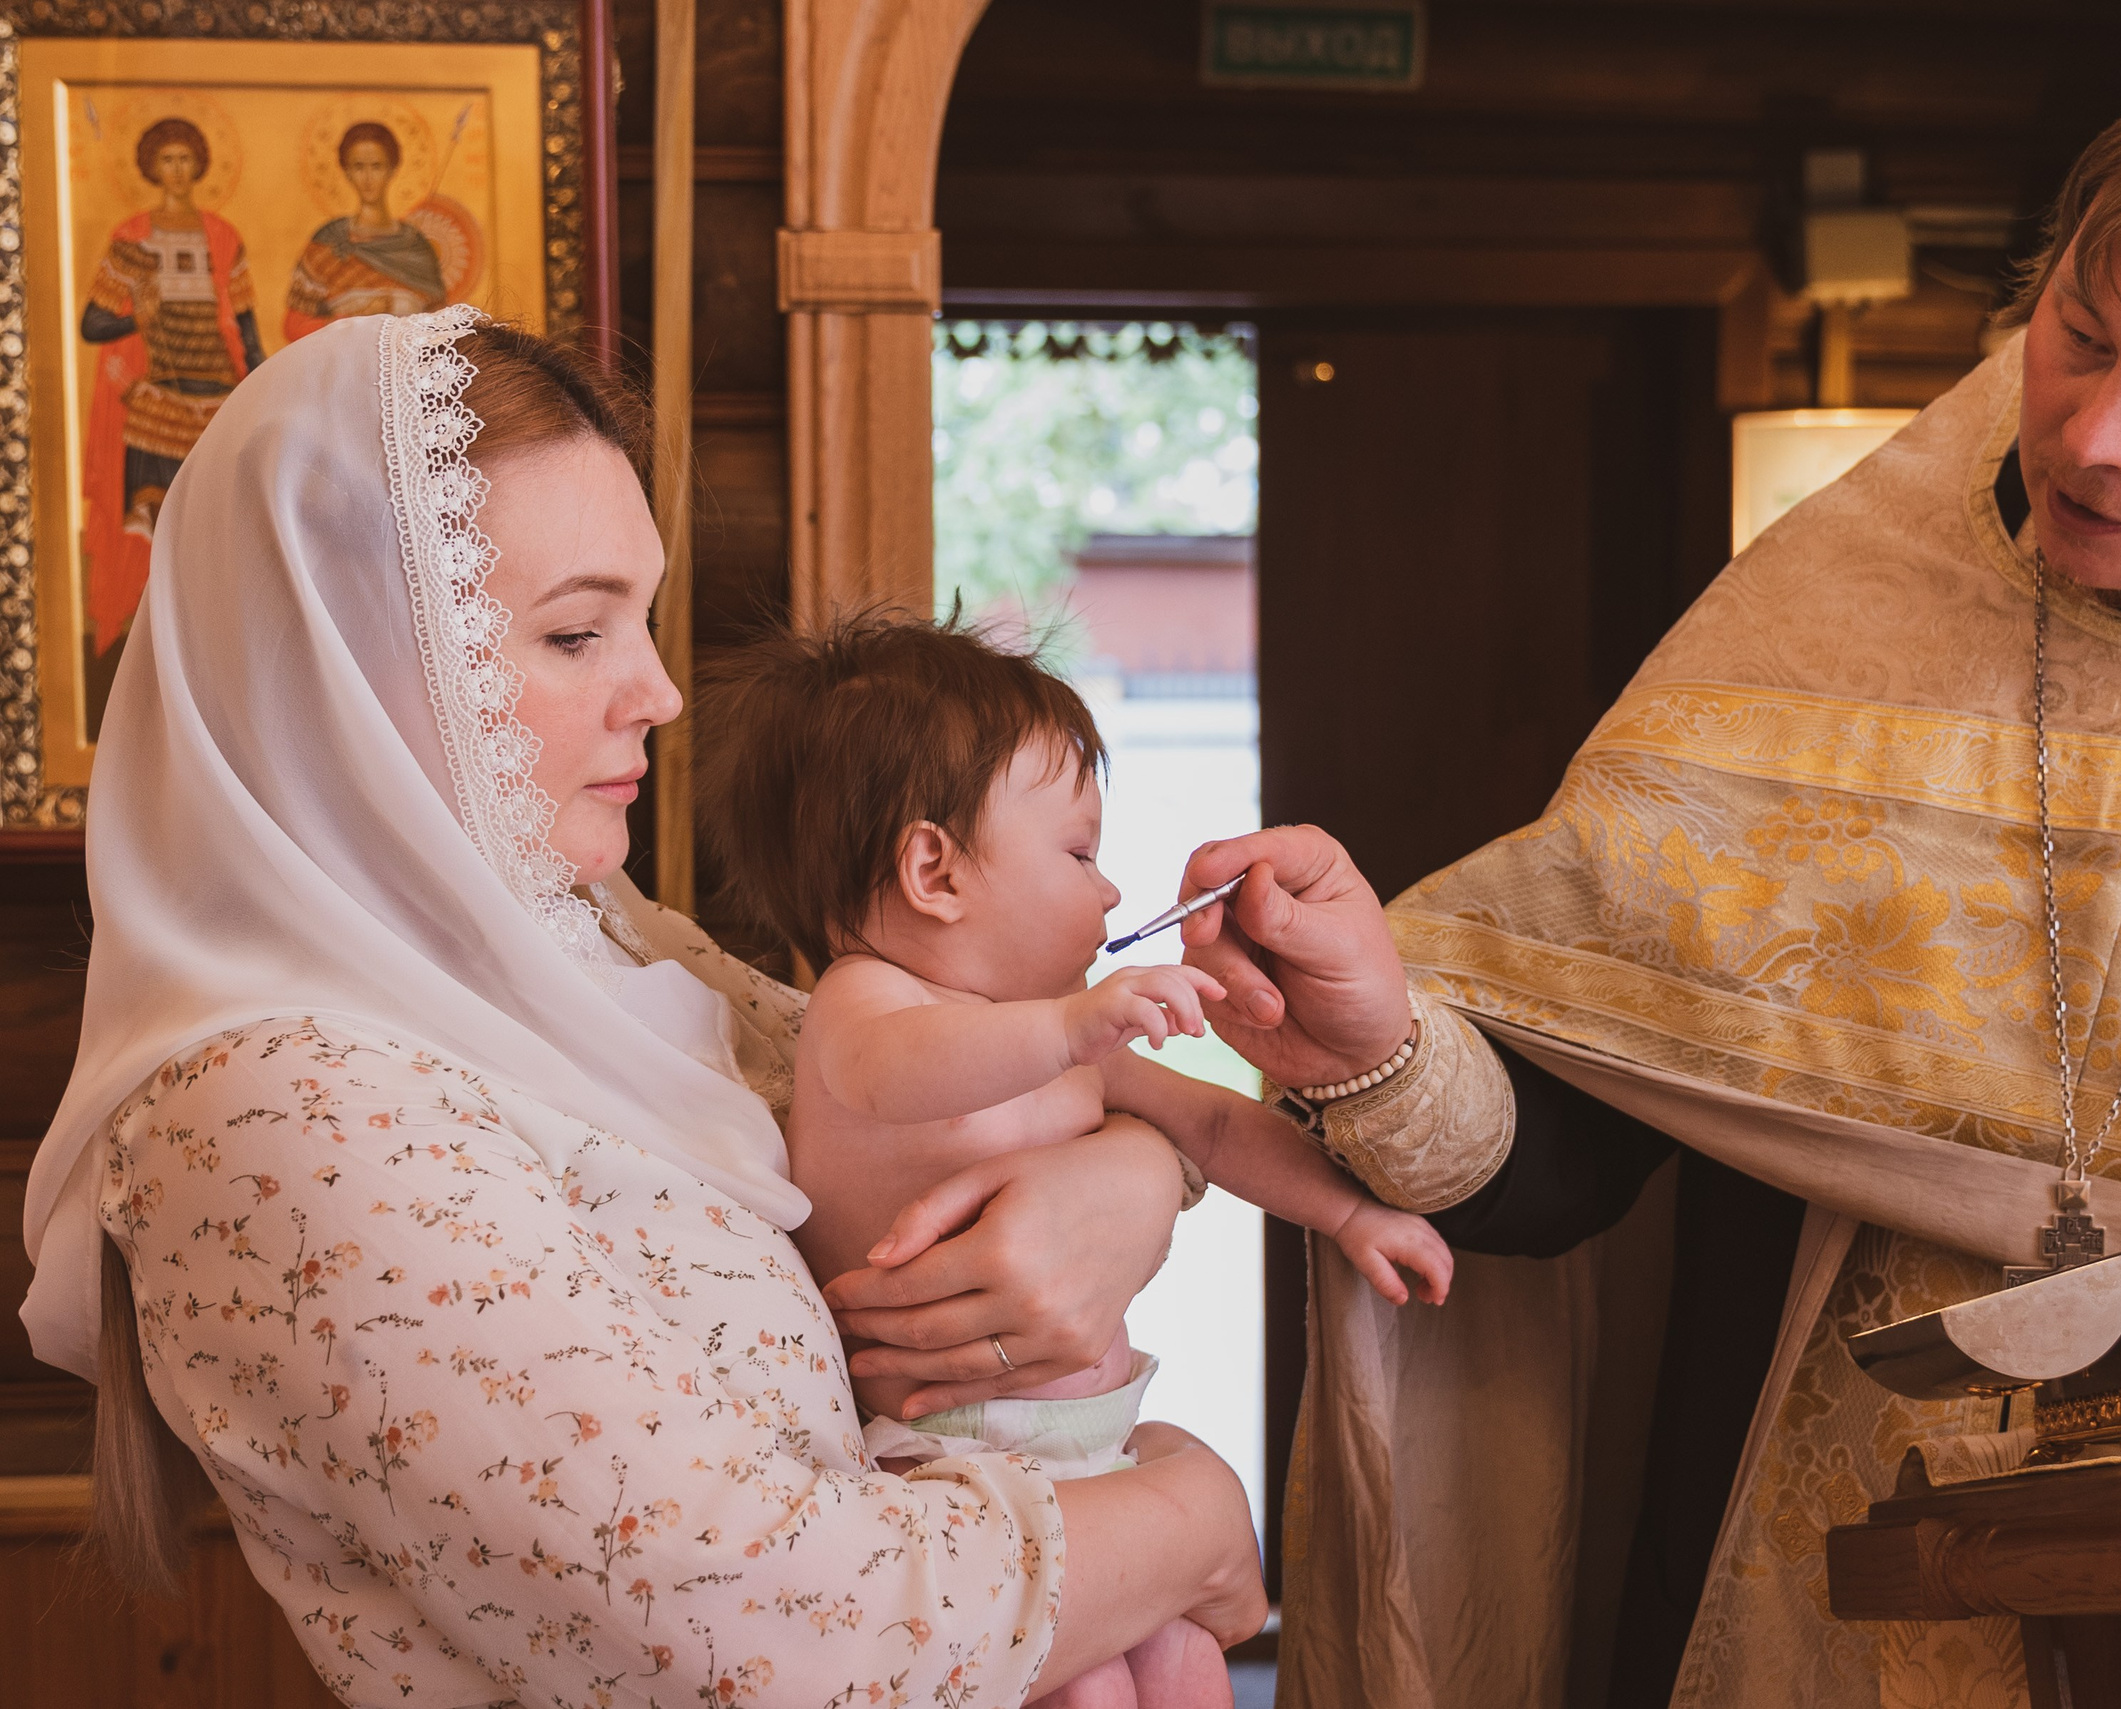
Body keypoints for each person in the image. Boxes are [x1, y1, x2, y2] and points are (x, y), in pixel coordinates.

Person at [1161, 14, 2121, 1708]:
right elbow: (1581, 1151)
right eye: (2076, 332)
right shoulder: (1847, 611)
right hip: (1795, 1577)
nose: (2095, 433)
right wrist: (1376, 1040)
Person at [17, 308, 1263, 1706]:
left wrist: (1131, 1180)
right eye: (573, 631)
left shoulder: (592, 949)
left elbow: (960, 1093)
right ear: (347, 664)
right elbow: (778, 1638)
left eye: (645, 620)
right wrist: (1194, 1516)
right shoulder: (268, 1115)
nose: (659, 692)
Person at [692, 614, 1450, 1707]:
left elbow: (1219, 1128)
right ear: (931, 869)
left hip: (1093, 1459)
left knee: (1190, 1665)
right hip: (948, 1481)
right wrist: (1075, 1028)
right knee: (1089, 1689)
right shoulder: (867, 1008)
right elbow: (899, 1073)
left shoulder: (1052, 1026)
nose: (1108, 892)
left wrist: (1348, 1216)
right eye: (1080, 851)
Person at [78, 115, 262, 680]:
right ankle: (148, 655)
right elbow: (92, 324)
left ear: (200, 165)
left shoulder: (223, 235)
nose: (177, 170)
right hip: (156, 399)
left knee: (216, 529)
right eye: (167, 160)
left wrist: (262, 388)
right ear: (152, 167)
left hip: (218, 400)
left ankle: (213, 650)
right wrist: (137, 315)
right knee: (154, 526)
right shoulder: (133, 237)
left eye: (186, 159)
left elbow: (247, 325)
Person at [284, 123, 454, 341]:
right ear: (346, 172)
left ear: (392, 169)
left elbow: (442, 326)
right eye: (358, 167)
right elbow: (294, 326)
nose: (367, 178)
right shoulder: (328, 242)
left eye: (376, 166)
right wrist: (355, 317)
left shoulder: (415, 246)